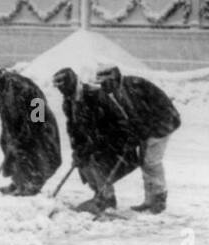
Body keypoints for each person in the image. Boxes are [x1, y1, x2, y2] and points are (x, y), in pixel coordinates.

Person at [52, 68, 141, 214]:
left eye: (62, 86)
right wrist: (77, 149)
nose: (60, 90)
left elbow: (115, 120)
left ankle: (107, 198)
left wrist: (95, 144)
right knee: (82, 161)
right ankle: (98, 193)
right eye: (58, 87)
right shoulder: (68, 101)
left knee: (96, 160)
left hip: (115, 137)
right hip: (93, 140)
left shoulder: (94, 95)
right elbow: (73, 126)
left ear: (71, 83)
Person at [95, 65, 181, 213]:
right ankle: (150, 200)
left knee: (151, 162)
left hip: (162, 123)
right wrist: (133, 134)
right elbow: (133, 116)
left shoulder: (133, 87)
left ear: (114, 79)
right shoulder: (118, 91)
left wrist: (140, 132)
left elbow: (145, 112)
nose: (103, 87)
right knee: (145, 161)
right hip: (150, 125)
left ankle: (158, 199)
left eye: (105, 83)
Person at [0, 65, 61, 196]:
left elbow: (38, 103)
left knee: (32, 153)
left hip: (38, 125)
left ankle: (32, 184)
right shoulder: (2, 84)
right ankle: (19, 182)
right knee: (13, 151)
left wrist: (29, 132)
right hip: (16, 127)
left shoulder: (20, 85)